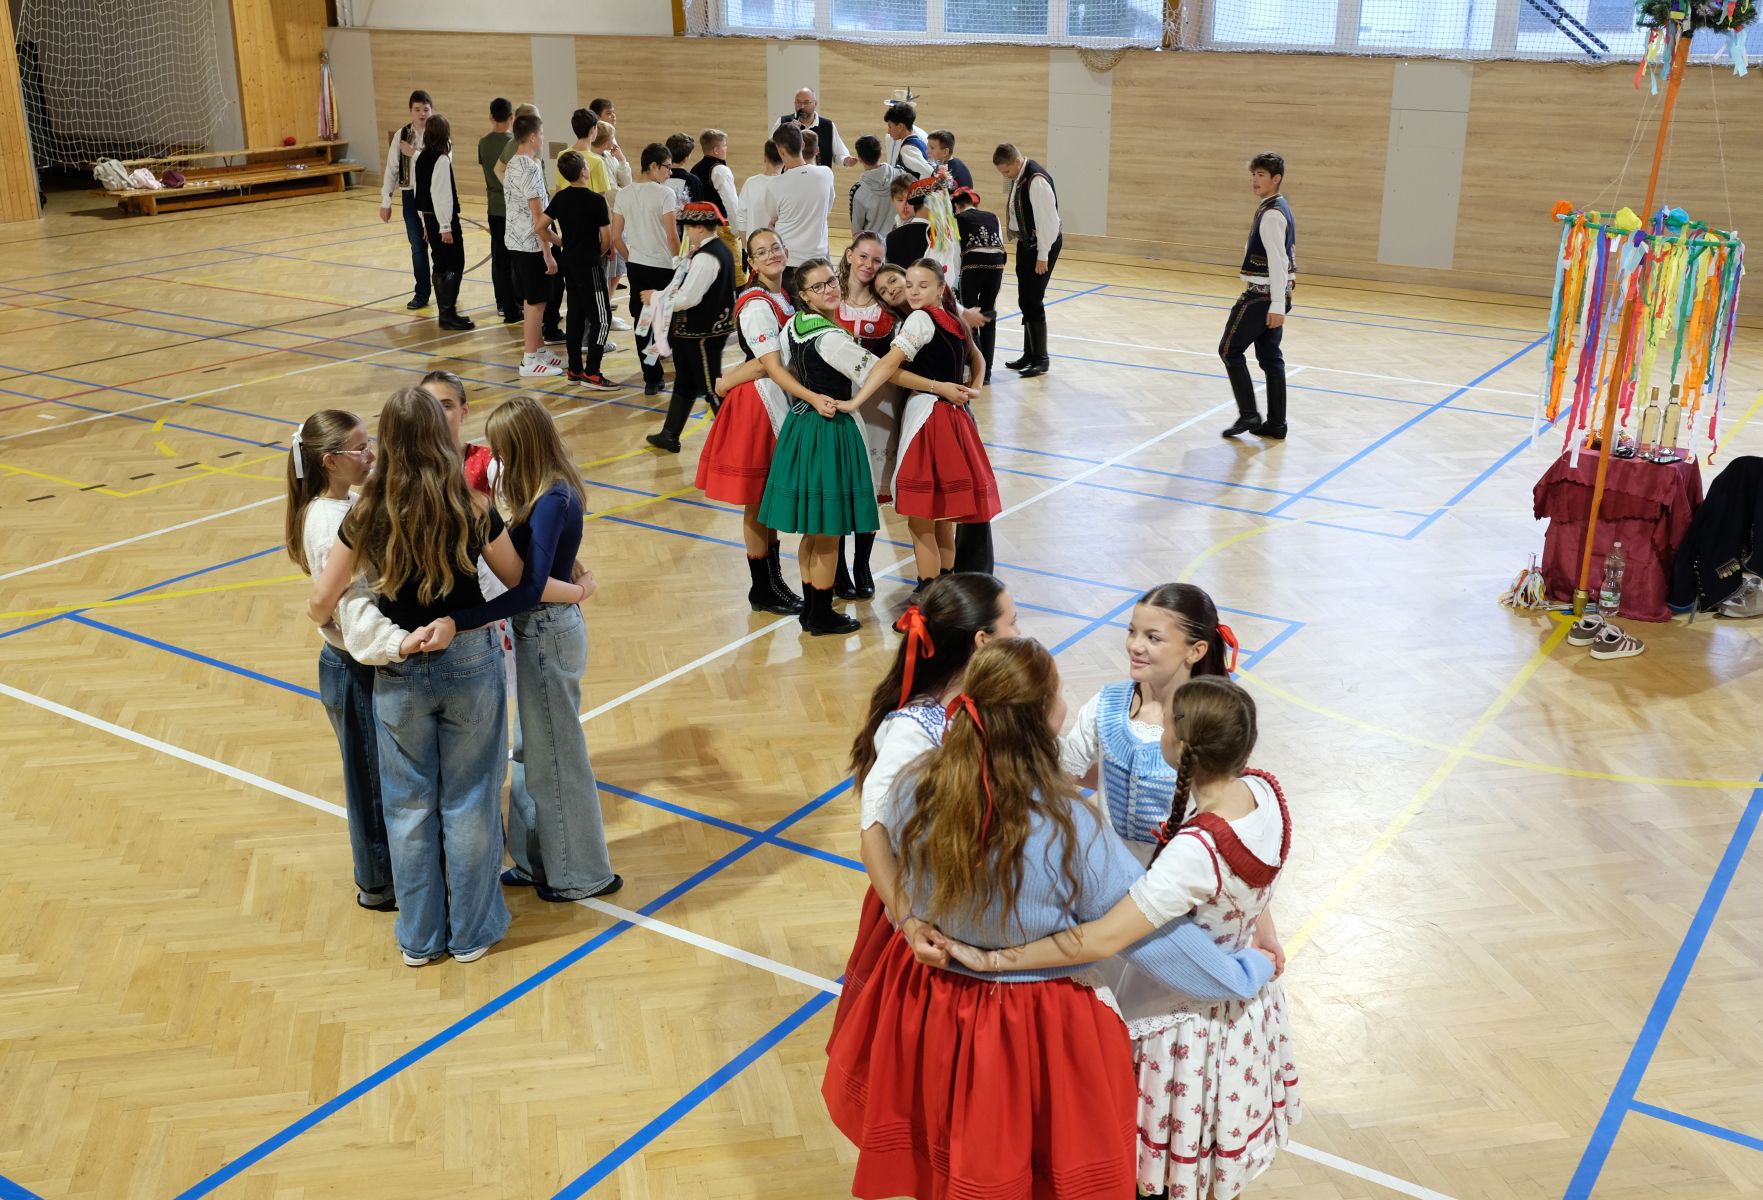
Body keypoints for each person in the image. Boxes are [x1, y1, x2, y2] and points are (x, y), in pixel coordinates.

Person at [821, 637, 1277, 1200]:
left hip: (928, 1001)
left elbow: (883, 851)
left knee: (944, 1144)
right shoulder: (1069, 827)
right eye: (1059, 695)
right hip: (1030, 1024)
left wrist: (909, 921)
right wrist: (1245, 971)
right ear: (1044, 717)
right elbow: (1149, 934)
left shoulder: (917, 784)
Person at [951, 677, 1300, 1200]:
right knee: (1204, 1164)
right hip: (1244, 1017)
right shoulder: (1263, 791)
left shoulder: (1194, 854)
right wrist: (1264, 937)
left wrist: (996, 959)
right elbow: (1256, 882)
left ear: (1180, 745)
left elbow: (1101, 939)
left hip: (1178, 1029)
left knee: (1154, 1172)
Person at [306, 387, 524, 967]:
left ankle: (420, 939)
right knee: (471, 801)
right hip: (469, 661)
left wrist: (333, 624)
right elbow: (516, 581)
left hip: (399, 668)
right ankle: (472, 931)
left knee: (407, 809)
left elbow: (322, 600)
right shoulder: (471, 504)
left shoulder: (366, 513)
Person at [407, 396, 620, 905]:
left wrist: (459, 621)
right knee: (530, 753)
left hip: (547, 633)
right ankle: (534, 861)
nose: (496, 459)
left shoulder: (552, 499)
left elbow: (529, 588)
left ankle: (581, 874)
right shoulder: (545, 494)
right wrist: (577, 583)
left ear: (521, 445)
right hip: (539, 630)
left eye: (502, 448)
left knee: (556, 758)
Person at [834, 573, 1018, 1034]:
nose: (1020, 634)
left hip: (974, 899)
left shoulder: (981, 704)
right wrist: (910, 922)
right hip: (926, 911)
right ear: (982, 641)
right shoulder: (913, 732)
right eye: (1013, 623)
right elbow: (873, 831)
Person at [286, 409, 421, 915]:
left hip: (357, 661)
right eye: (361, 449)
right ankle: (377, 880)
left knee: (378, 770)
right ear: (330, 461)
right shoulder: (327, 522)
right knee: (368, 777)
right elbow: (336, 601)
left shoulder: (348, 502)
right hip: (351, 665)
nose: (371, 455)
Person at [697, 228, 827, 617]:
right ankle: (762, 587)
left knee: (767, 501)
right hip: (758, 405)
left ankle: (773, 583)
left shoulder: (782, 295)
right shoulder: (756, 303)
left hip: (773, 397)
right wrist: (727, 381)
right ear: (751, 262)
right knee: (757, 502)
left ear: (786, 251)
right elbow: (768, 363)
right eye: (761, 252)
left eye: (775, 248)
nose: (771, 255)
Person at [1060, 583, 1236, 860]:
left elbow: (1224, 811)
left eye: (1153, 638)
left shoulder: (1211, 724)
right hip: (1107, 867)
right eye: (1132, 631)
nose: (1135, 646)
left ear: (1196, 651)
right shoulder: (1106, 705)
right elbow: (1064, 773)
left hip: (1177, 872)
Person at [890, 262, 1000, 592]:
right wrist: (973, 389)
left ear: (940, 289)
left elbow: (891, 370)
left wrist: (859, 396)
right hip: (954, 417)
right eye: (909, 285)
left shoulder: (920, 319)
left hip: (928, 417)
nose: (913, 291)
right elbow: (978, 359)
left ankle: (927, 592)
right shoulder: (954, 320)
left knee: (921, 518)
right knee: (941, 516)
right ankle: (946, 588)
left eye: (922, 285)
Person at [831, 232, 901, 600]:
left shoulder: (889, 307)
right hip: (837, 403)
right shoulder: (829, 299)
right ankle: (838, 567)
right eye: (863, 256)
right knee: (840, 485)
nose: (868, 265)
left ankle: (862, 564)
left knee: (870, 488)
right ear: (849, 255)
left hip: (878, 407)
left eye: (876, 260)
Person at [645, 201, 736, 453]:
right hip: (695, 333)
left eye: (687, 228)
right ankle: (669, 435)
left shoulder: (707, 257)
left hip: (702, 334)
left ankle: (737, 444)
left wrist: (656, 298)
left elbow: (688, 298)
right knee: (685, 383)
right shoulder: (716, 249)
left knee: (712, 388)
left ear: (699, 228)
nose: (686, 233)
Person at [1221, 151, 1296, 441]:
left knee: (1229, 350)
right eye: (1253, 174)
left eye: (1261, 175)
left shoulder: (1272, 214)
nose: (1255, 180)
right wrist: (1286, 290)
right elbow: (1287, 254)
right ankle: (1276, 423)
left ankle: (1249, 414)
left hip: (1260, 298)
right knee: (1270, 358)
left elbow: (1278, 259)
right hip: (1274, 296)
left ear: (1276, 179)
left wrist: (1277, 304)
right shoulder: (1277, 206)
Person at [542, 151, 618, 389]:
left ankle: (574, 370)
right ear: (584, 171)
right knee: (602, 319)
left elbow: (540, 227)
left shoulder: (560, 197)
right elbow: (606, 238)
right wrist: (600, 252)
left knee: (575, 316)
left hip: (569, 263)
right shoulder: (596, 200)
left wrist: (562, 242)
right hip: (589, 264)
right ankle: (592, 372)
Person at [612, 143, 682, 396]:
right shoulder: (665, 194)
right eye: (667, 167)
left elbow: (616, 237)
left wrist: (631, 259)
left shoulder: (624, 194)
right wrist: (680, 264)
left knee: (643, 323)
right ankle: (680, 371)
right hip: (663, 267)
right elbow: (672, 236)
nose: (670, 173)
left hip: (638, 267)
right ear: (653, 166)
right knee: (670, 320)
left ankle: (652, 379)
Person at [502, 113, 564, 379]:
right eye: (541, 134)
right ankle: (529, 359)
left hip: (515, 240)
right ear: (531, 137)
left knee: (533, 298)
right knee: (536, 302)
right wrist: (549, 251)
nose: (543, 138)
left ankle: (538, 350)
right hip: (531, 244)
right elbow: (538, 217)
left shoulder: (512, 164)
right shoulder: (530, 168)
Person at [994, 142, 1061, 379]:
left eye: (1007, 171)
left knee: (1033, 299)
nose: (1006, 176)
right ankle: (1029, 354)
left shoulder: (1036, 181)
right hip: (1027, 244)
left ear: (1017, 161)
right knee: (1025, 298)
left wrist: (1043, 255)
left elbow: (1049, 223)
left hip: (1042, 245)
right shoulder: (1020, 176)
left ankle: (1041, 359)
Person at [413, 114, 475, 332]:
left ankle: (445, 313)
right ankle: (448, 313)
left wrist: (426, 223)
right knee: (455, 263)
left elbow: (419, 193)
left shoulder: (421, 157)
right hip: (442, 221)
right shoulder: (441, 159)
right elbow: (441, 195)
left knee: (439, 263)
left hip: (430, 219)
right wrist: (445, 227)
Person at [747, 123, 834, 269]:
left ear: (780, 151)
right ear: (802, 145)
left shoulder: (775, 185)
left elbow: (774, 216)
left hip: (789, 260)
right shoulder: (826, 173)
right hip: (819, 257)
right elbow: (828, 208)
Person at [378, 89, 434, 310]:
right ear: (411, 111)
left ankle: (446, 291)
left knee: (439, 247)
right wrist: (386, 201)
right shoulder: (401, 135)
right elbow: (392, 168)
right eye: (417, 109)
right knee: (418, 247)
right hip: (410, 196)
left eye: (426, 109)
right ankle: (422, 293)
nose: (422, 114)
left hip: (433, 197)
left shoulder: (438, 132)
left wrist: (415, 154)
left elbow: (444, 163)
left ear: (432, 110)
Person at [952, 186, 1004, 385]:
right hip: (996, 266)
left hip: (971, 266)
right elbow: (1000, 245)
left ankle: (977, 369)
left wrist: (955, 282)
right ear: (975, 202)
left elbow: (956, 252)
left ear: (957, 205)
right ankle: (987, 371)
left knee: (970, 316)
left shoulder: (956, 219)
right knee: (989, 314)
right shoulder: (993, 217)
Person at [477, 98, 521, 325]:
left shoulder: (483, 143)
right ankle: (516, 301)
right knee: (516, 257)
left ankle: (502, 303)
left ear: (491, 117)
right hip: (512, 206)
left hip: (493, 205)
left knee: (499, 257)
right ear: (512, 117)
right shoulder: (514, 143)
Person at [777, 86, 855, 167]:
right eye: (798, 102)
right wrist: (788, 133)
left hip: (820, 174)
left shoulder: (828, 125)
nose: (802, 106)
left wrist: (845, 160)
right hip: (791, 174)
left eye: (806, 102)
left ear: (815, 104)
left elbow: (839, 154)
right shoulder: (782, 122)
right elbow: (772, 152)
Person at [848, 134, 896, 238]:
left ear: (860, 159)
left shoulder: (858, 191)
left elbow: (857, 232)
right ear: (881, 153)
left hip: (872, 244)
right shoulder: (901, 175)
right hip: (897, 242)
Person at [736, 138, 782, 245]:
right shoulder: (788, 184)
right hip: (779, 247)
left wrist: (745, 247)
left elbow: (741, 217)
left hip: (754, 247)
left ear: (765, 157)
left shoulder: (751, 183)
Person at [884, 176, 932, 267]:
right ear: (892, 201)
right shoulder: (892, 228)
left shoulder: (926, 229)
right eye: (900, 200)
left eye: (909, 200)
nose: (905, 205)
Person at [883, 101, 934, 179]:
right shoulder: (918, 142)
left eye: (890, 127)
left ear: (900, 126)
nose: (888, 131)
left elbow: (928, 172)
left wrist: (914, 186)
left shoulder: (907, 149)